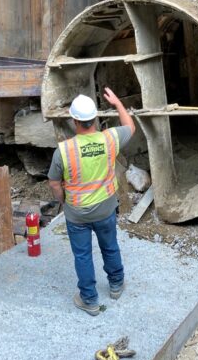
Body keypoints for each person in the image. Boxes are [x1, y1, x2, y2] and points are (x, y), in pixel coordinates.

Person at [48, 87, 136, 316]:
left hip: (77, 214)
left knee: (83, 256)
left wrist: (63, 200)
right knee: (110, 246)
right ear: (95, 118)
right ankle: (116, 285)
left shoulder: (64, 151)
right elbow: (131, 127)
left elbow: (54, 183)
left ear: (74, 120)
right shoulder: (110, 139)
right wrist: (117, 103)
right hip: (106, 209)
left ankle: (89, 299)